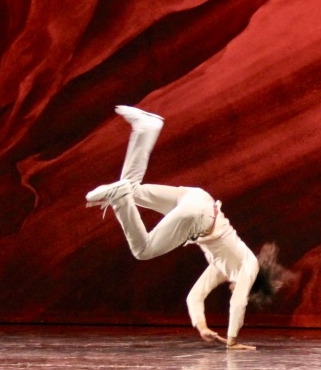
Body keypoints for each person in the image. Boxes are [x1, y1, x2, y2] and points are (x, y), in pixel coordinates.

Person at [85, 106, 289, 349]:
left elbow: (195, 296)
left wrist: (202, 327)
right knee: (143, 250)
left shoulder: (221, 267)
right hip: (200, 217)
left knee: (133, 189)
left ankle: (147, 128)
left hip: (198, 197)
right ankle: (120, 200)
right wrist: (232, 341)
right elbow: (238, 304)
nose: (234, 290)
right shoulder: (249, 266)